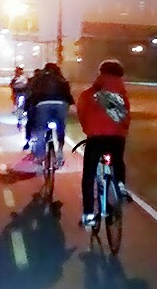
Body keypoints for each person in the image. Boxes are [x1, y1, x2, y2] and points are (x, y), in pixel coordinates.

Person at [77, 59, 131, 229]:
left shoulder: (90, 93)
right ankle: (120, 185)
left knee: (89, 174)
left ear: (101, 73)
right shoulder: (122, 95)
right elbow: (125, 118)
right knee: (117, 159)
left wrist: (89, 130)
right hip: (116, 137)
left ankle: (88, 215)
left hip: (96, 137)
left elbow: (82, 113)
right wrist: (121, 132)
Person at [27, 62, 74, 167]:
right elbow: (68, 95)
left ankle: (40, 155)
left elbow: (32, 92)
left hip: (43, 104)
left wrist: (32, 106)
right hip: (60, 104)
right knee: (61, 128)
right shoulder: (62, 79)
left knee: (40, 130)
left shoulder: (39, 79)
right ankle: (60, 153)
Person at [22, 68, 42, 151]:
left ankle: (27, 140)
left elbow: (28, 97)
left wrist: (25, 109)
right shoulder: (46, 82)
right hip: (39, 106)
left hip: (34, 106)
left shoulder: (32, 82)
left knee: (29, 122)